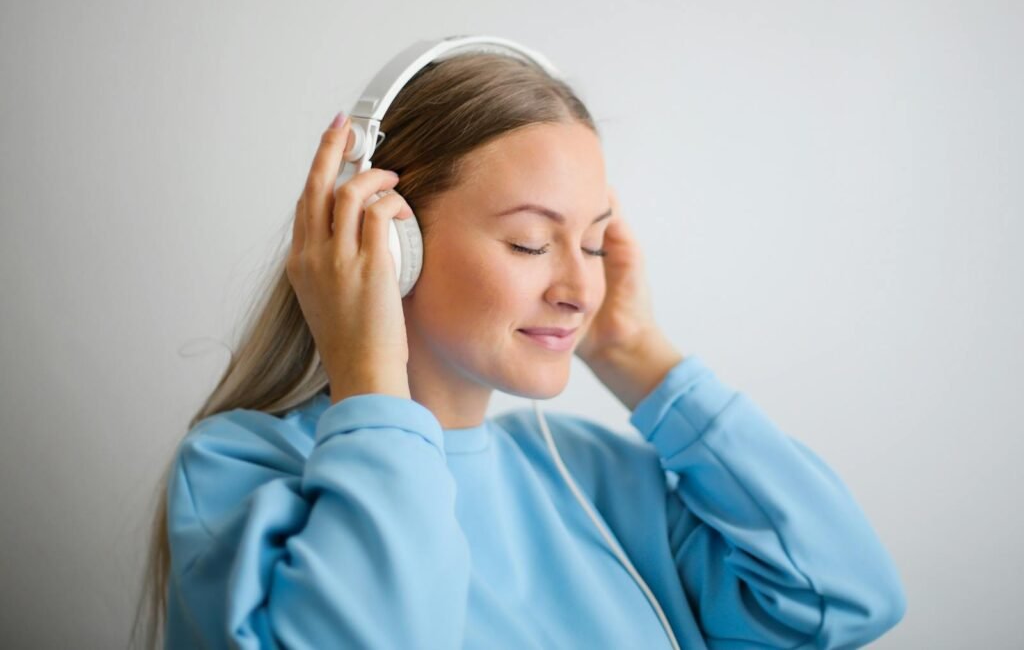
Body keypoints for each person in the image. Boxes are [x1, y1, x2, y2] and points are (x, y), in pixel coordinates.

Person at [130, 52, 907, 649]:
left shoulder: (602, 480)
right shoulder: (240, 469)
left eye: (596, 243)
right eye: (531, 242)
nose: (579, 286)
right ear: (392, 241)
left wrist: (635, 351)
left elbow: (844, 597)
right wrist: (369, 379)